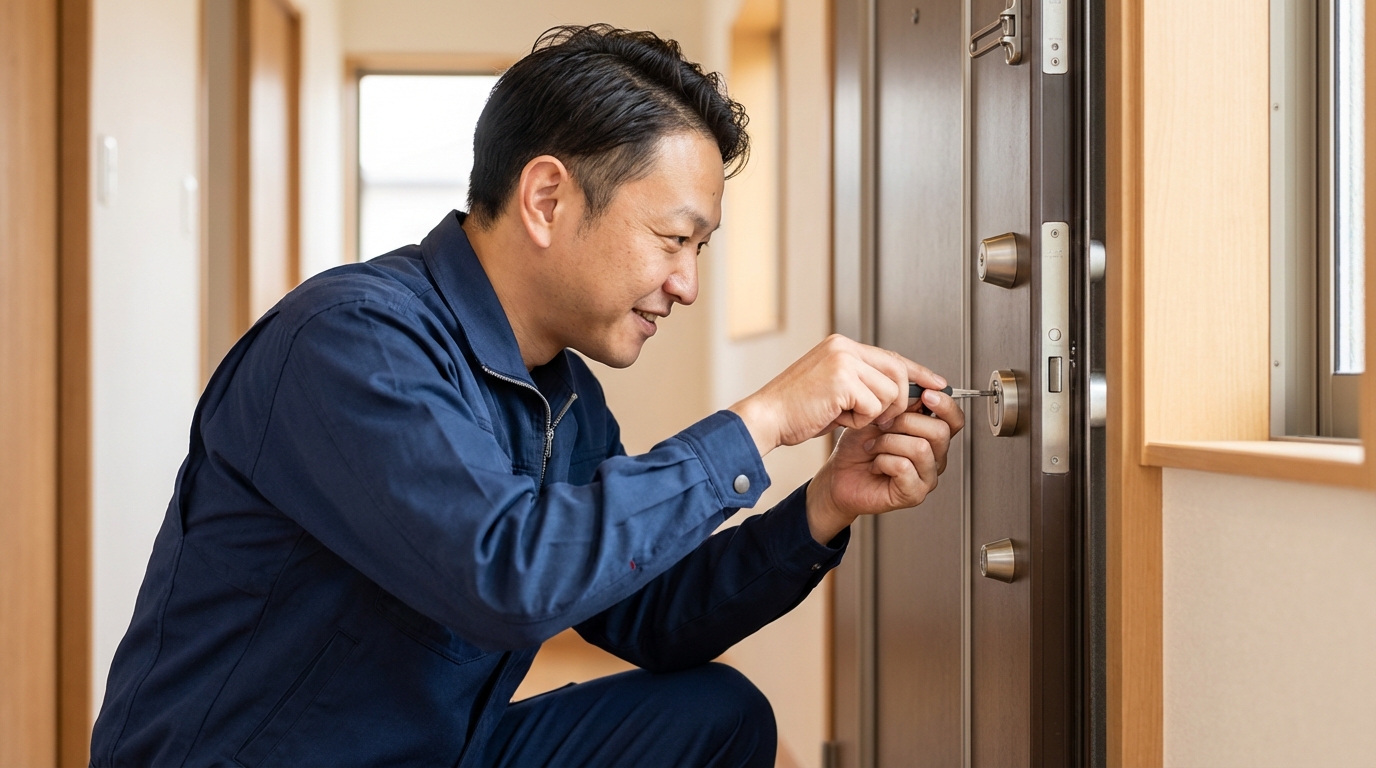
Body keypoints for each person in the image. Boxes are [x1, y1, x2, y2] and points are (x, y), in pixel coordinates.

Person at [90, 24, 964, 768]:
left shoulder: (562, 390)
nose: (686, 284)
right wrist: (763, 419)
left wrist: (824, 504)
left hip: (434, 744)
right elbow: (507, 576)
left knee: (719, 717)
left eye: (700, 249)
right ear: (547, 197)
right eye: (672, 239)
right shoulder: (351, 341)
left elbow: (648, 614)